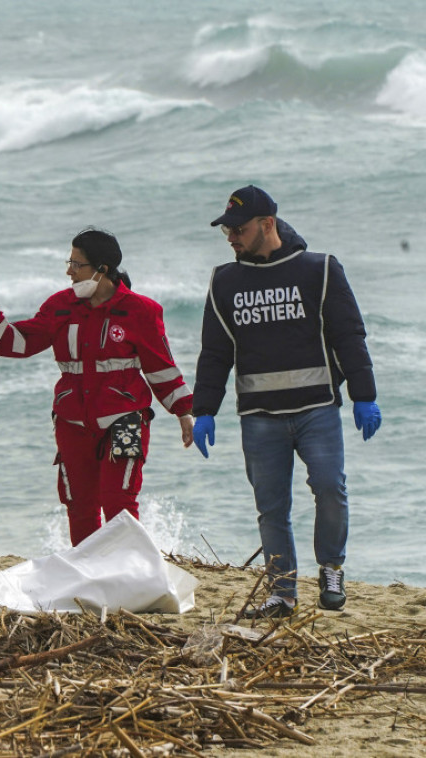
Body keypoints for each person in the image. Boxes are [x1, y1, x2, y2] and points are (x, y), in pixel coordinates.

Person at [192, 185, 382, 619]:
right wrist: (203, 409)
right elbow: (216, 352)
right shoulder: (225, 281)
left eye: (238, 229)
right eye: (227, 231)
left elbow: (348, 336)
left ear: (268, 224)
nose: (231, 237)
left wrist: (363, 395)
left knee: (331, 489)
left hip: (317, 408)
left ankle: (331, 569)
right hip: (259, 417)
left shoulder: (320, 270)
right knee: (271, 507)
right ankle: (282, 592)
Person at [0, 228, 194, 545]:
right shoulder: (60, 306)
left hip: (125, 419)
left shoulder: (141, 310)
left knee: (119, 504)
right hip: (72, 423)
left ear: (102, 269)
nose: (68, 270)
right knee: (80, 506)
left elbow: (161, 367)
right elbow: (21, 343)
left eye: (76, 263)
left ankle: (130, 575)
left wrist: (184, 412)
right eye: (68, 261)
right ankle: (88, 578)